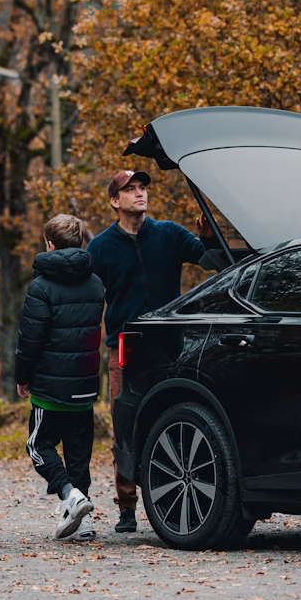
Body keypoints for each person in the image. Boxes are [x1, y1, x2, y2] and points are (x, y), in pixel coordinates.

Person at [87, 169, 219, 533]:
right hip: (124, 348)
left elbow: (211, 261)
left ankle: (179, 497)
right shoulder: (99, 247)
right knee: (125, 428)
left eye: (142, 187)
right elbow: (87, 299)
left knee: (178, 420)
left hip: (170, 344)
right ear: (115, 201)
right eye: (130, 189)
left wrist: (208, 234)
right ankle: (127, 507)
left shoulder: (170, 234)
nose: (140, 193)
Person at [15, 214, 106, 542]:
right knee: (79, 455)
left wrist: (22, 377)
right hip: (84, 386)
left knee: (38, 444)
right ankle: (83, 526)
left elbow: (30, 339)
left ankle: (71, 495)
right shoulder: (96, 283)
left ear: (49, 245)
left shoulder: (41, 286)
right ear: (81, 242)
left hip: (50, 390)